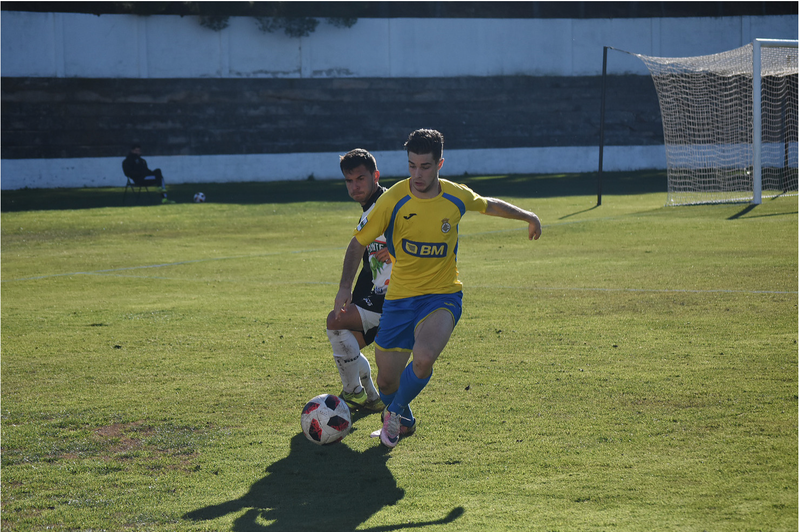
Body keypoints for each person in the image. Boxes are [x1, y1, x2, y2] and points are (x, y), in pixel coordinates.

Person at [334, 129, 542, 448]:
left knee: (423, 356)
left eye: (426, 166)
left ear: (439, 163)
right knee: (387, 382)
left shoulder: (455, 196)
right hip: (399, 300)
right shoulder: (393, 200)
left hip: (442, 296)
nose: (418, 174)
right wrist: (344, 286)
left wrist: (528, 216)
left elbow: (489, 205)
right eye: (412, 166)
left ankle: (393, 417)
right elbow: (357, 243)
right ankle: (402, 417)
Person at [326, 148, 393, 412]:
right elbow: (364, 250)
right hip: (376, 291)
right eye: (349, 181)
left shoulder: (388, 204)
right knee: (348, 339)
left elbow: (417, 231)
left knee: (336, 322)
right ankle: (372, 398)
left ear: (375, 175)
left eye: (360, 179)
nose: (354, 187)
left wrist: (399, 249)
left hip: (393, 297)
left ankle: (353, 392)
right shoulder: (370, 208)